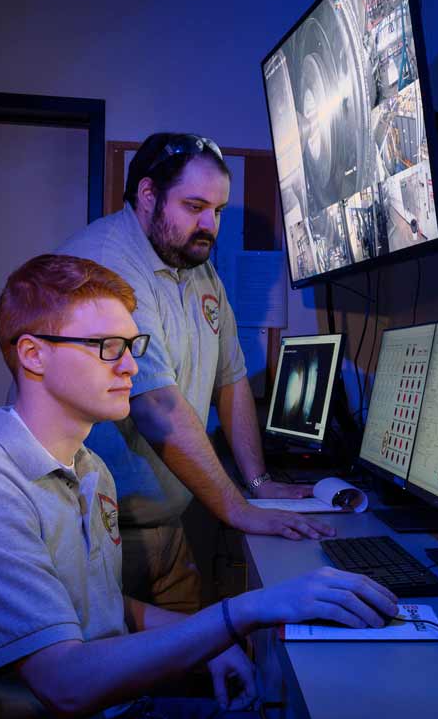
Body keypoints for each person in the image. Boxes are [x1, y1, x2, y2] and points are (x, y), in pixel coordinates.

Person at [0, 254, 397, 719]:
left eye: (133, 347)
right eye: (107, 348)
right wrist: (244, 613)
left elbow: (97, 602)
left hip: (113, 718)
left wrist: (209, 642)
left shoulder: (86, 466)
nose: (131, 367)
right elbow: (66, 684)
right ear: (34, 355)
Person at [58, 133, 335, 612]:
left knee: (207, 667)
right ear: (148, 195)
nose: (210, 225)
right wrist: (238, 509)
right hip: (95, 532)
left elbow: (230, 377)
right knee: (118, 675)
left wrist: (257, 483)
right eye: (194, 206)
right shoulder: (107, 265)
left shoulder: (193, 262)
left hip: (165, 530)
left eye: (219, 210)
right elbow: (156, 405)